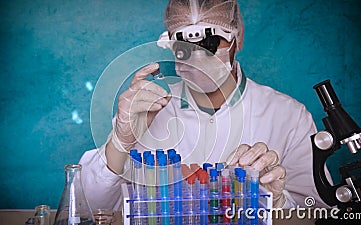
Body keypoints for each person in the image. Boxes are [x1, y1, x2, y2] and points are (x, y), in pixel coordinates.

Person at [79, 0, 330, 211]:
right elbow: (84, 207)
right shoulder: (145, 108)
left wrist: (277, 202)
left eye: (211, 43)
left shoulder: (288, 116)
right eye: (185, 47)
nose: (198, 55)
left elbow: (319, 210)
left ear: (237, 38)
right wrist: (121, 142)